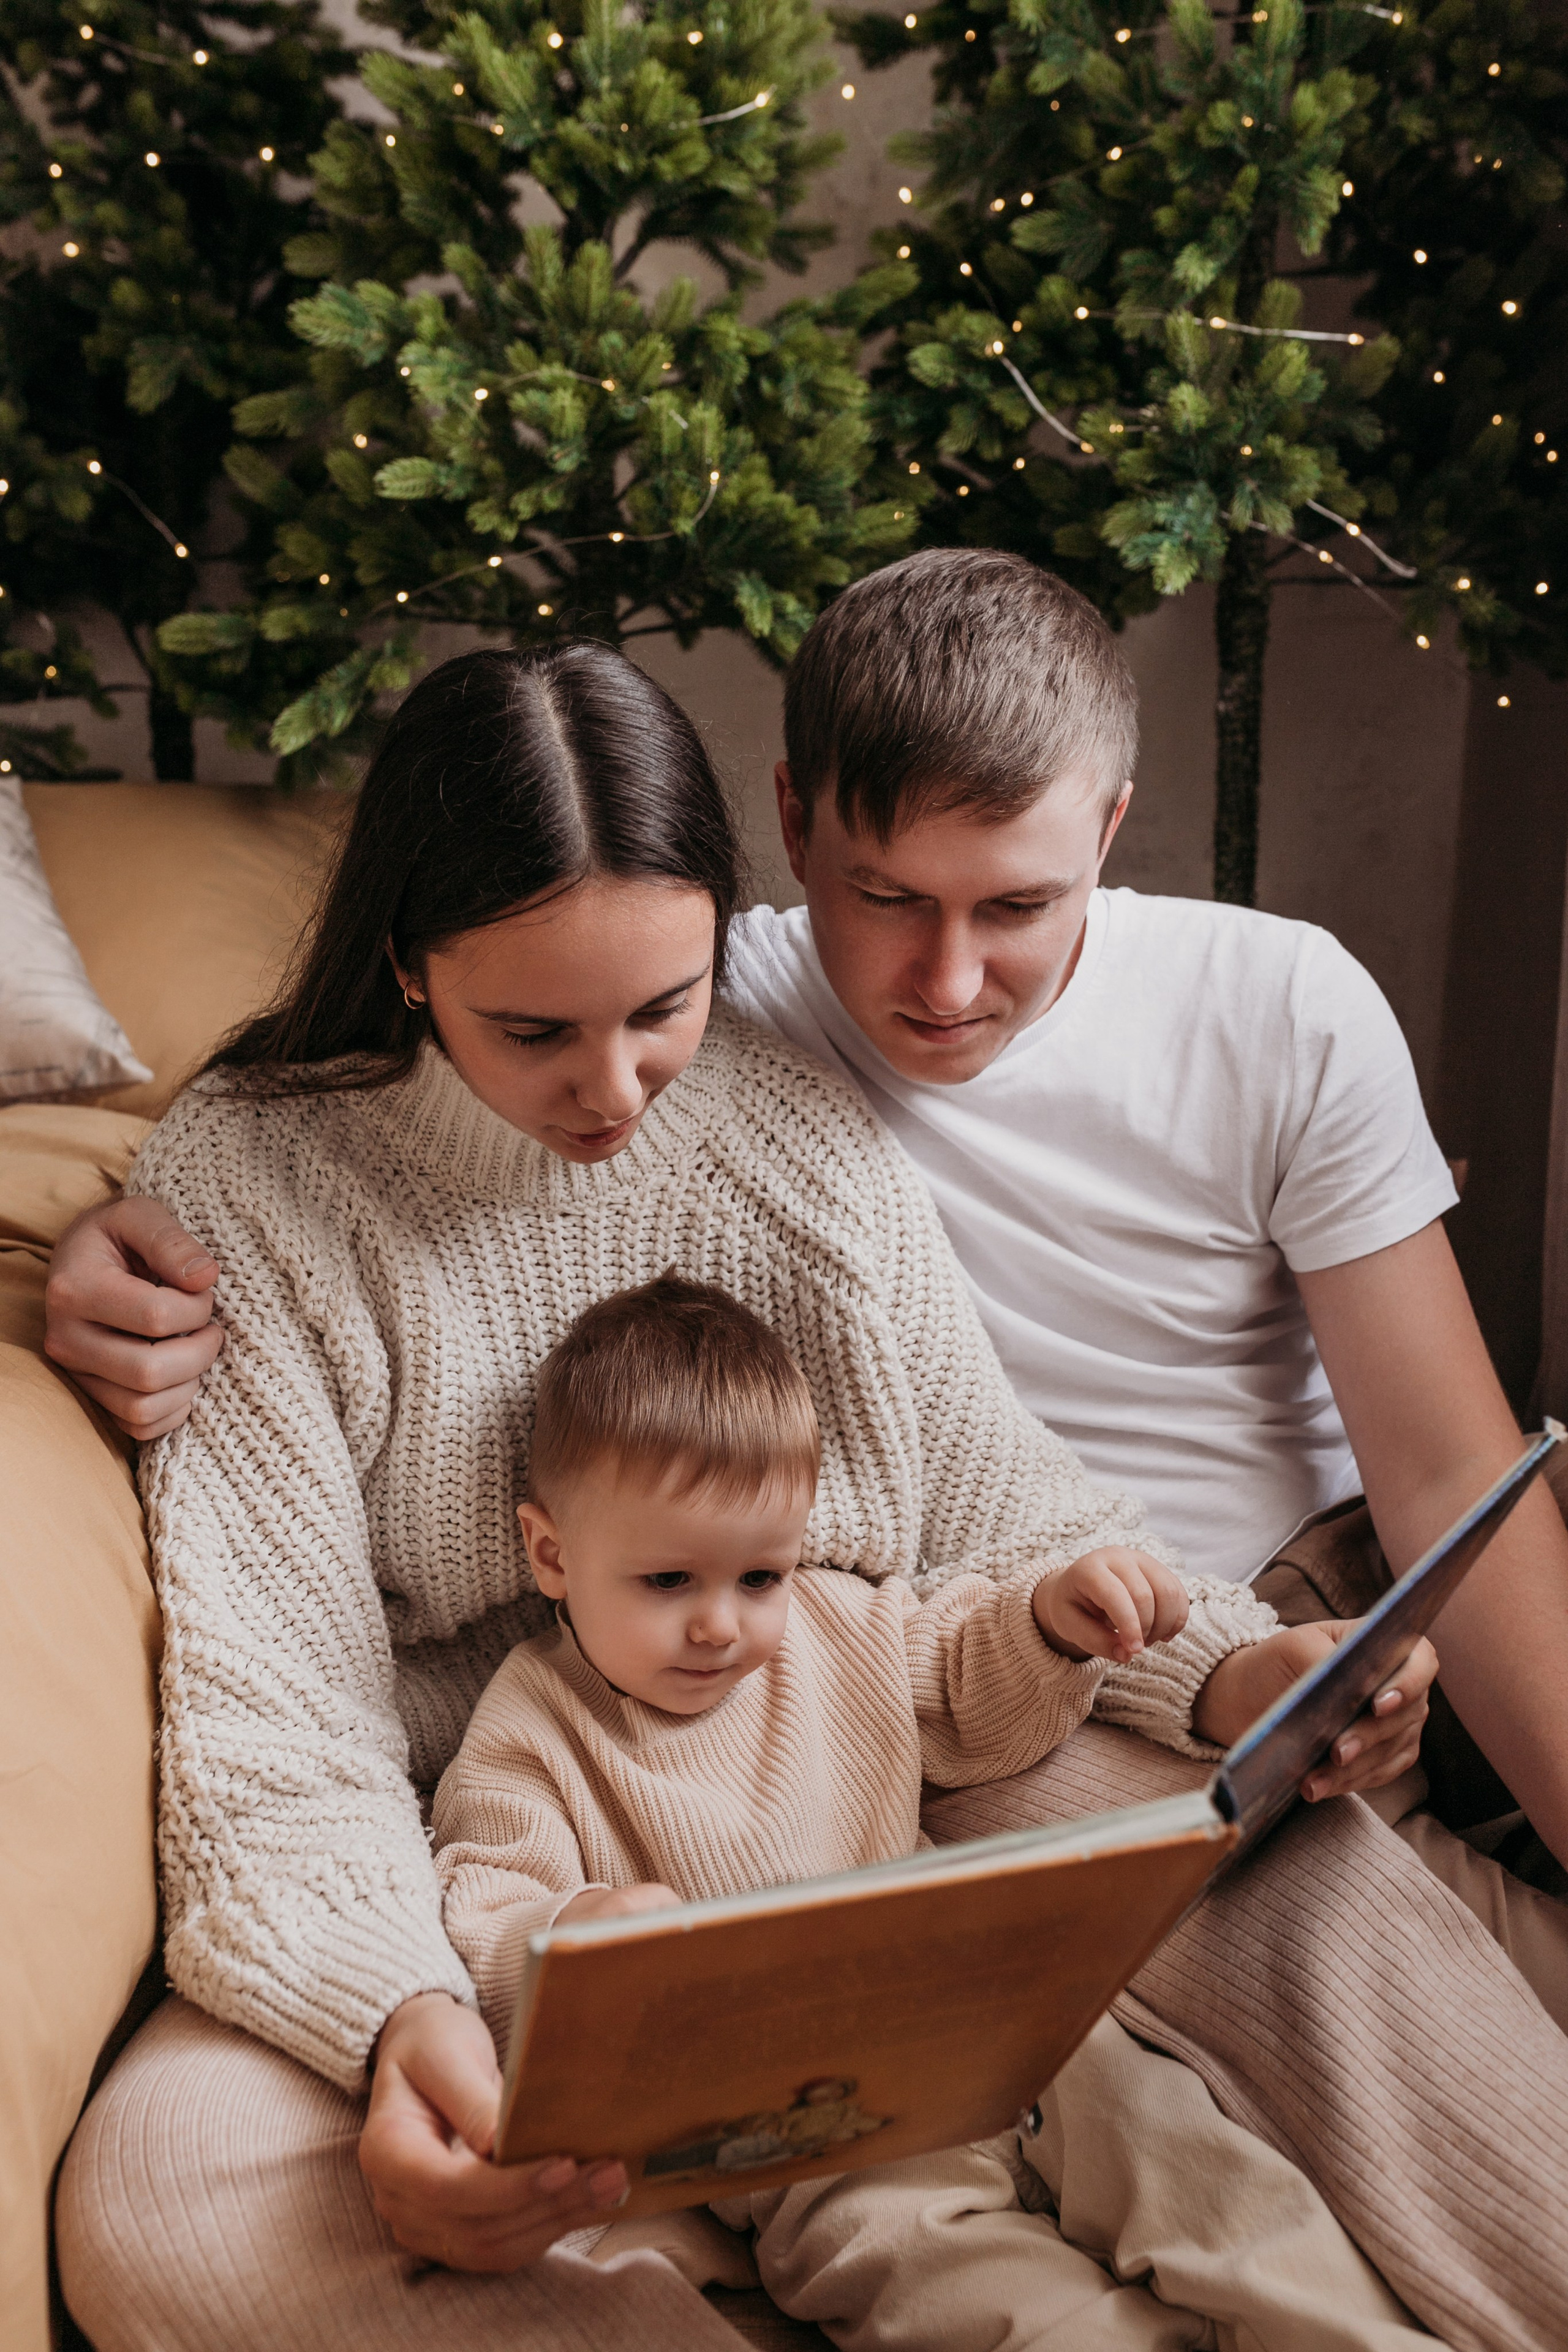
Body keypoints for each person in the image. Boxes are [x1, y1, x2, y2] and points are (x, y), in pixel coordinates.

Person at [45, 643, 1568, 2352]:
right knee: (168, 2198)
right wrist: (408, 2022)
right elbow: (278, 1732)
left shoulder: (797, 1133)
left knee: (1283, 1858)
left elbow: (1004, 1514)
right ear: (407, 962)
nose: (615, 1094)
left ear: (727, 940)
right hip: (476, 1857)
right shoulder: (252, 1185)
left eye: (664, 1011)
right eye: (533, 1029)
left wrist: (1236, 1673)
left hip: (856, 1744)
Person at [714, 548, 1568, 1887]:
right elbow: (384, 1065)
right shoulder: (689, 1020)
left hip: (1345, 1593)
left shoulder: (1275, 1003)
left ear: (1105, 832)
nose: (945, 980)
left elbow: (1446, 1473)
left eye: (1015, 907)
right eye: (885, 897)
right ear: (793, 819)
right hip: (1090, 1650)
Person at [432, 1270, 1438, 2352]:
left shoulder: (838, 1628)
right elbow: (484, 1898)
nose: (723, 1625)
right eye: (670, 1581)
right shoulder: (530, 1728)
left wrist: (1055, 1618)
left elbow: (968, 1676)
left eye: (760, 1576)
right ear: (552, 1555)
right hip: (795, 2131)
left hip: (992, 2034)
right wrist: (573, 1933)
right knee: (962, 2284)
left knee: (1206, 2172)